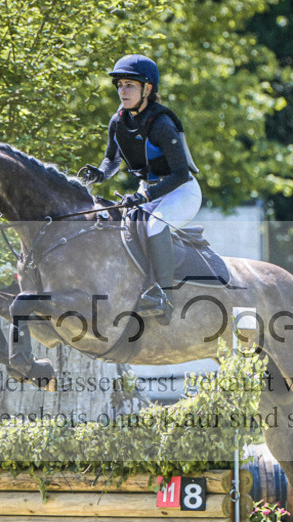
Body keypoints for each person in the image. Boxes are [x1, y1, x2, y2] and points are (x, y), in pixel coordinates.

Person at [80, 54, 201, 323]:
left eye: (130, 85)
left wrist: (145, 195)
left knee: (154, 226)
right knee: (122, 228)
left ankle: (164, 296)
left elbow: (180, 174)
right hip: (148, 190)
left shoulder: (161, 124)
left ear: (147, 89)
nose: (123, 91)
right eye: (120, 85)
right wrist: (100, 174)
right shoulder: (118, 121)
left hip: (181, 191)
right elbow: (112, 159)